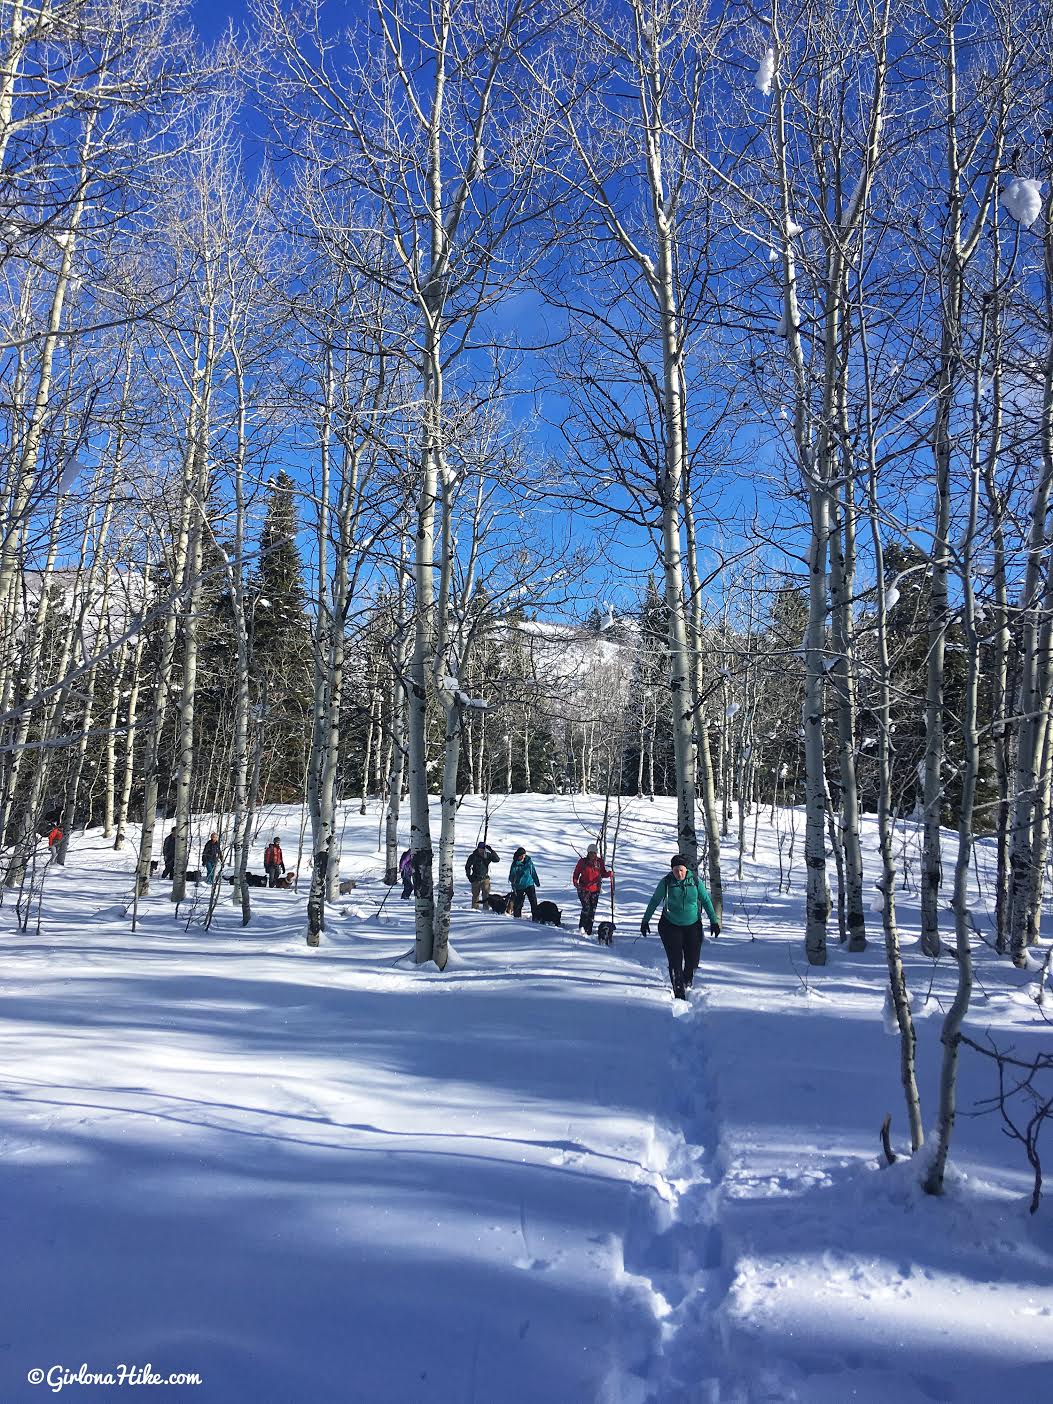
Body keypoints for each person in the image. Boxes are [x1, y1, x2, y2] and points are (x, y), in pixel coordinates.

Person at [640, 854, 720, 1000]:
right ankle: (679, 991)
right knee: (675, 959)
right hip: (670, 925)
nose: (679, 873)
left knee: (692, 959)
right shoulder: (666, 882)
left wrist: (714, 921)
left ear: (686, 869)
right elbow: (654, 901)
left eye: (681, 870)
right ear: (672, 870)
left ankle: (687, 980)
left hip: (693, 925)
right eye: (676, 870)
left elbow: (706, 901)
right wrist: (645, 921)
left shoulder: (695, 881)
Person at [572, 843, 613, 935]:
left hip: (595, 889)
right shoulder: (582, 862)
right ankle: (582, 928)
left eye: (594, 853)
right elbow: (576, 873)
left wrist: (609, 874)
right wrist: (575, 882)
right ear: (588, 853)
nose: (592, 855)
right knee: (586, 908)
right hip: (583, 889)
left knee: (592, 910)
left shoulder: (599, 862)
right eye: (591, 853)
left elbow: (602, 873)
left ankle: (588, 929)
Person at [465, 840, 500, 909]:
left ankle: (486, 909)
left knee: (486, 895)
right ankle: (474, 909)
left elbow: (497, 859)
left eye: (482, 849)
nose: (480, 850)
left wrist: (492, 851)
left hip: (485, 878)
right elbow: (467, 866)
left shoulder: (487, 855)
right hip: (475, 878)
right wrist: (469, 876)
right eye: (479, 849)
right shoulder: (473, 856)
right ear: (477, 848)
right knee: (475, 895)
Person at [508, 847, 540, 919]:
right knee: (518, 904)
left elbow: (533, 872)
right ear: (518, 856)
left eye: (524, 855)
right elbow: (511, 876)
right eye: (521, 855)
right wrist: (513, 885)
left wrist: (536, 881)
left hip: (529, 884)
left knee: (533, 902)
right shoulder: (515, 864)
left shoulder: (529, 862)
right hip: (519, 886)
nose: (523, 857)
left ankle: (535, 918)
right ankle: (517, 918)